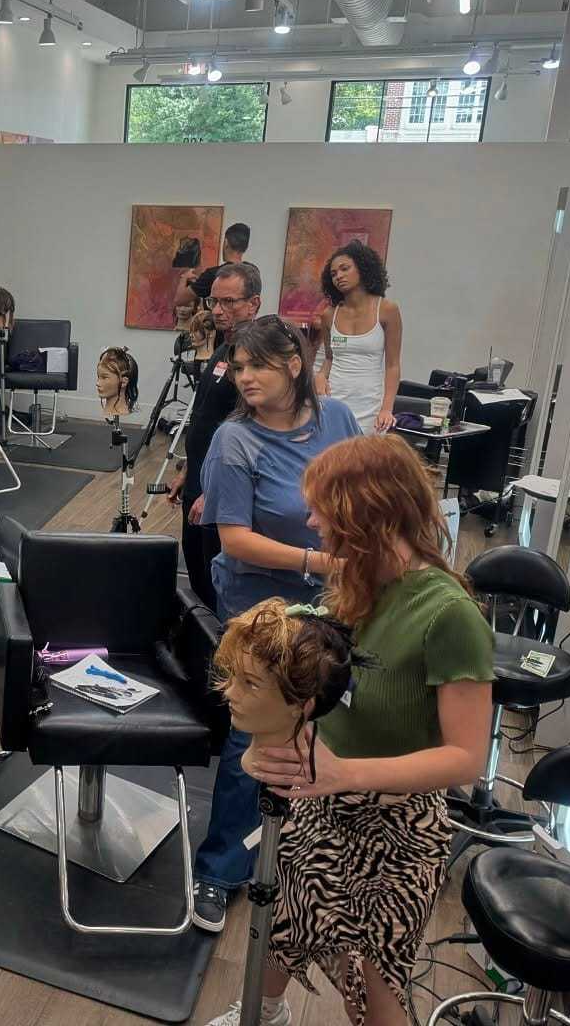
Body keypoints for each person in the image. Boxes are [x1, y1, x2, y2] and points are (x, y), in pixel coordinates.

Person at [205, 435, 493, 1026]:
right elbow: (295, 672)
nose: (310, 520)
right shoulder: (358, 589)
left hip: (398, 827)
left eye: (320, 508)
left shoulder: (449, 615)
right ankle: (262, 1010)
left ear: (368, 514)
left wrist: (342, 773)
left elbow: (466, 757)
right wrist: (266, 748)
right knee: (283, 920)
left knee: (375, 985)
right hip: (324, 801)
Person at [190, 314, 361, 934]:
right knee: (253, 735)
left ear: (294, 365)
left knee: (328, 718)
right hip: (258, 602)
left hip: (332, 595)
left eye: (256, 365)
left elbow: (359, 493)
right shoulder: (234, 440)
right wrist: (321, 559)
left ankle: (309, 857)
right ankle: (220, 869)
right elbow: (234, 540)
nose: (244, 377)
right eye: (238, 368)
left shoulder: (337, 420)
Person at [164, 263, 260, 612]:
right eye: (214, 301)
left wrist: (214, 491)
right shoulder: (222, 352)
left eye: (229, 302)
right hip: (199, 484)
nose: (218, 310)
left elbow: (248, 433)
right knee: (197, 575)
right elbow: (205, 418)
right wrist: (188, 470)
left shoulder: (256, 363)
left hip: (220, 492)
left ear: (254, 304)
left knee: (219, 584)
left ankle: (222, 657)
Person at [315, 242, 402, 434]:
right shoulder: (329, 315)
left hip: (371, 404)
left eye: (345, 269)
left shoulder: (387, 310)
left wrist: (387, 408)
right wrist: (320, 376)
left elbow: (393, 365)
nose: (339, 276)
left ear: (363, 268)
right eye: (334, 274)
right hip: (334, 401)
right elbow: (329, 358)